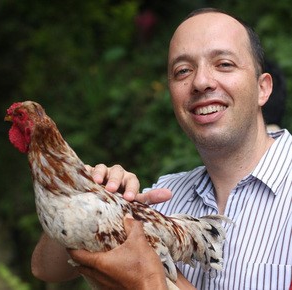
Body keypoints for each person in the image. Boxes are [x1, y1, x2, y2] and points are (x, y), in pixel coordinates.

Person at [31, 8, 292, 290]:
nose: (201, 82)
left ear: (263, 88)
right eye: (183, 71)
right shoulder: (166, 197)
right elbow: (45, 269)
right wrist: (88, 200)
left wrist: (149, 282)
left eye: (224, 64)